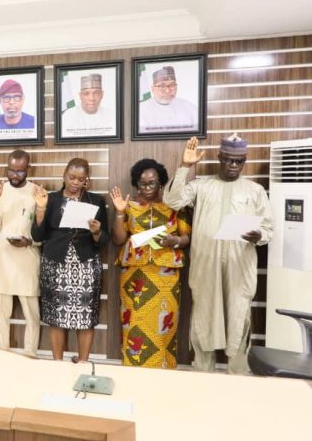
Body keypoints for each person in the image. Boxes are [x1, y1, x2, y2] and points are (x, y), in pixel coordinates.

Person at [164, 134, 273, 374]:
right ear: (220, 157)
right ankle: (203, 379)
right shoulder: (201, 186)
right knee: (204, 321)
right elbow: (172, 201)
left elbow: (268, 229)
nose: (233, 165)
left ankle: (238, 378)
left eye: (239, 161)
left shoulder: (255, 191)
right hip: (206, 269)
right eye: (229, 160)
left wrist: (258, 235)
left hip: (239, 269)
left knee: (238, 321)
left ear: (244, 161)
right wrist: (184, 166)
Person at [109, 159, 191, 369]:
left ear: (161, 183)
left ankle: (163, 372)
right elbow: (118, 239)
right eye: (142, 183)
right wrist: (119, 212)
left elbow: (187, 237)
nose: (146, 187)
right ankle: (133, 372)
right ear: (136, 184)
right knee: (133, 325)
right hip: (135, 277)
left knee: (164, 327)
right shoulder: (128, 206)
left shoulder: (174, 206)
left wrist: (175, 241)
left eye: (151, 183)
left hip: (166, 277)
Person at [31, 158, 108, 362]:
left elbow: (105, 241)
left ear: (86, 180)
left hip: (86, 264)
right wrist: (40, 209)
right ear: (64, 175)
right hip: (55, 264)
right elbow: (37, 235)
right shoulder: (50, 199)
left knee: (86, 317)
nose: (75, 182)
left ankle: (83, 363)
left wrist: (97, 231)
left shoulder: (96, 201)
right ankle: (58, 363)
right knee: (56, 316)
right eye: (72, 177)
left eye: (81, 179)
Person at [0, 150, 41, 356]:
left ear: (28, 169)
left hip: (28, 259)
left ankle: (30, 354)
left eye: (20, 171)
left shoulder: (37, 192)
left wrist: (31, 241)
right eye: (11, 170)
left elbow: (43, 230)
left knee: (32, 315)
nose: (15, 175)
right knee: (1, 315)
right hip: (2, 259)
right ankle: (2, 355)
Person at [139, 66, 198, 133]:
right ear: (153, 89)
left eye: (172, 85)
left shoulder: (189, 107)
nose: (167, 90)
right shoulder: (141, 110)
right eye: (162, 86)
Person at [61, 73, 116, 138]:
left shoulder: (111, 116)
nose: (91, 98)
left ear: (102, 94)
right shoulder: (68, 117)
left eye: (96, 93)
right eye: (86, 94)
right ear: (80, 96)